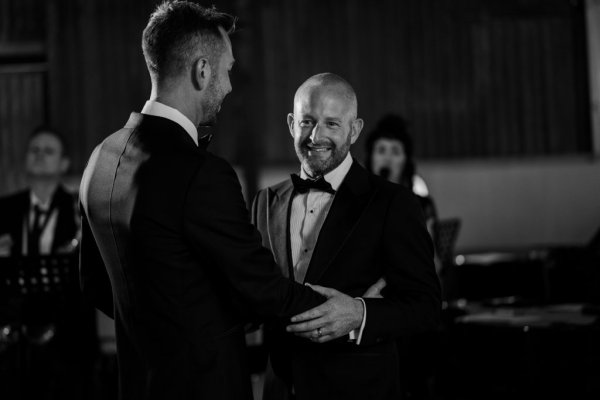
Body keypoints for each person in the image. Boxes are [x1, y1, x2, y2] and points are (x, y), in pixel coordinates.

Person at [78, 3, 360, 399]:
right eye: (227, 70)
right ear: (202, 70)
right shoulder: (200, 173)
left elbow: (95, 285)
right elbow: (260, 290)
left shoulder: (100, 160)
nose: (229, 85)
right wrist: (350, 309)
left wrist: (173, 324)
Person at [252, 73, 441, 400]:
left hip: (358, 389)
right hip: (280, 389)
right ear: (290, 124)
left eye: (332, 124)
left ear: (354, 130)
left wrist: (359, 314)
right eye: (307, 122)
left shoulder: (393, 203)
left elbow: (426, 306)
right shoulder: (265, 202)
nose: (316, 135)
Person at [0, 126, 97, 400]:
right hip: (16, 344)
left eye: (48, 151)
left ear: (64, 163)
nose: (40, 155)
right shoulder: (4, 209)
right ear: (25, 160)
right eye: (35, 150)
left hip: (68, 343)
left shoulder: (82, 208)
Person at [365, 114, 438, 240]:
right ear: (371, 158)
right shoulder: (357, 204)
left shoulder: (421, 206)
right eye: (381, 150)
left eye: (395, 151)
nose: (387, 159)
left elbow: (431, 258)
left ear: (405, 162)